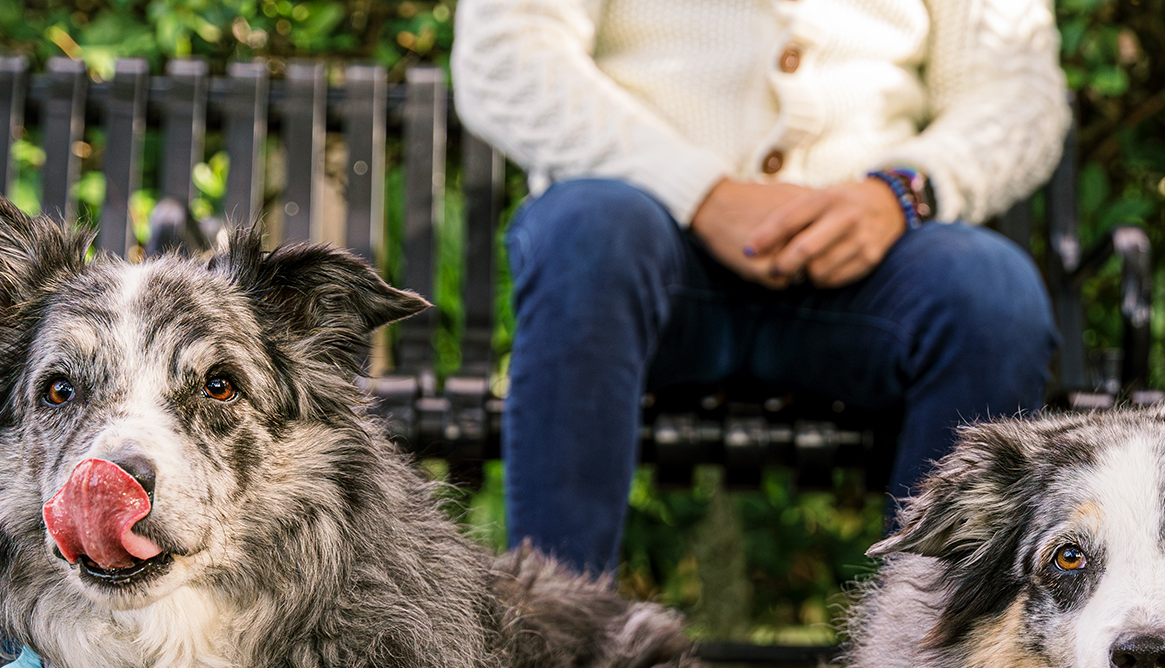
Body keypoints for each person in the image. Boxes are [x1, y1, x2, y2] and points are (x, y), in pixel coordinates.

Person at [452, 0, 1069, 576]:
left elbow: (1017, 92)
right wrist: (700, 191)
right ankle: (552, 660)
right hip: (640, 244)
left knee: (995, 298)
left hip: (871, 260)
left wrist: (900, 191)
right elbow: (506, 53)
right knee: (586, 232)